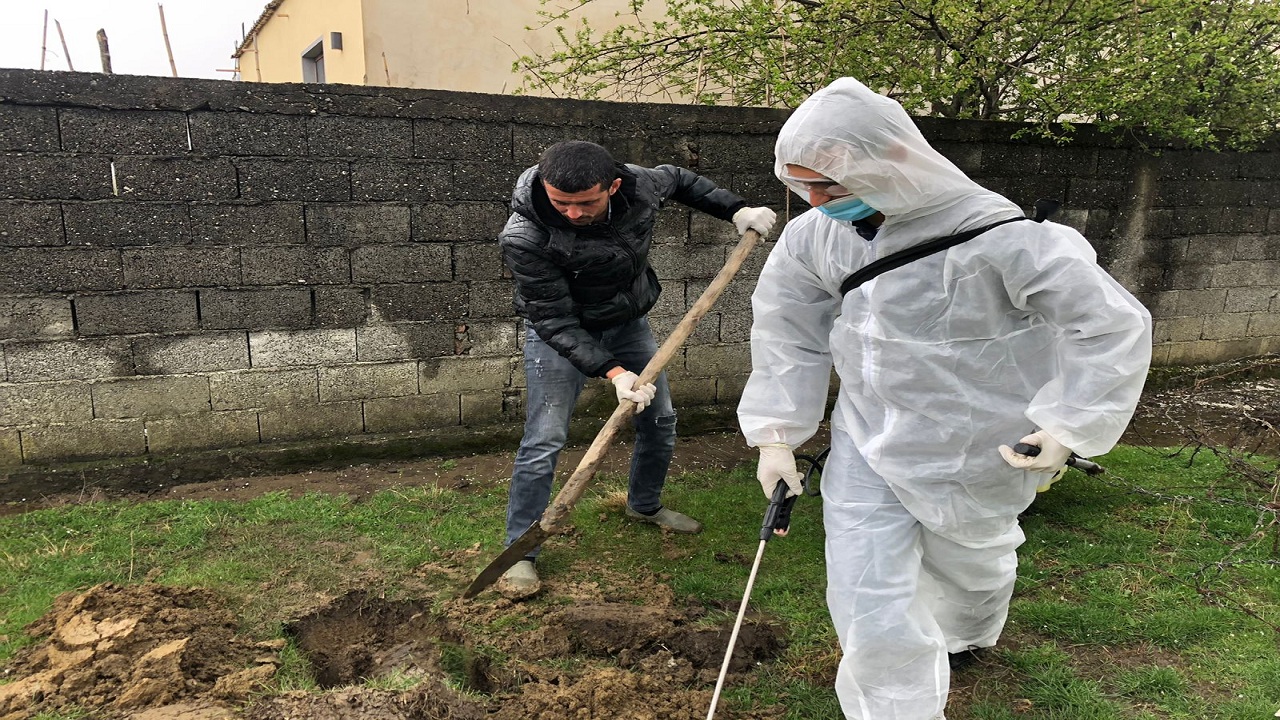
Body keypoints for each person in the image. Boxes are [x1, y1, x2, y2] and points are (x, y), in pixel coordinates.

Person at [738, 78, 1152, 719]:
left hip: (978, 441)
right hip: (868, 436)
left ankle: (968, 632)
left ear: (891, 162)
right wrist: (775, 434)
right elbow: (786, 331)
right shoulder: (815, 236)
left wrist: (1068, 424)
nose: (814, 202)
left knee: (972, 559)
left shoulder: (1003, 236)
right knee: (867, 586)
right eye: (802, 187)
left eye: (830, 187)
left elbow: (1108, 325)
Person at [498, 140, 777, 597]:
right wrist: (615, 374)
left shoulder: (643, 184)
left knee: (661, 418)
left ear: (613, 186)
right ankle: (521, 552)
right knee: (544, 438)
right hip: (560, 336)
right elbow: (552, 319)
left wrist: (737, 210)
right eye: (560, 202)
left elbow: (683, 180)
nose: (571, 213)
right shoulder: (525, 236)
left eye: (585, 203)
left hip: (627, 323)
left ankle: (644, 506)